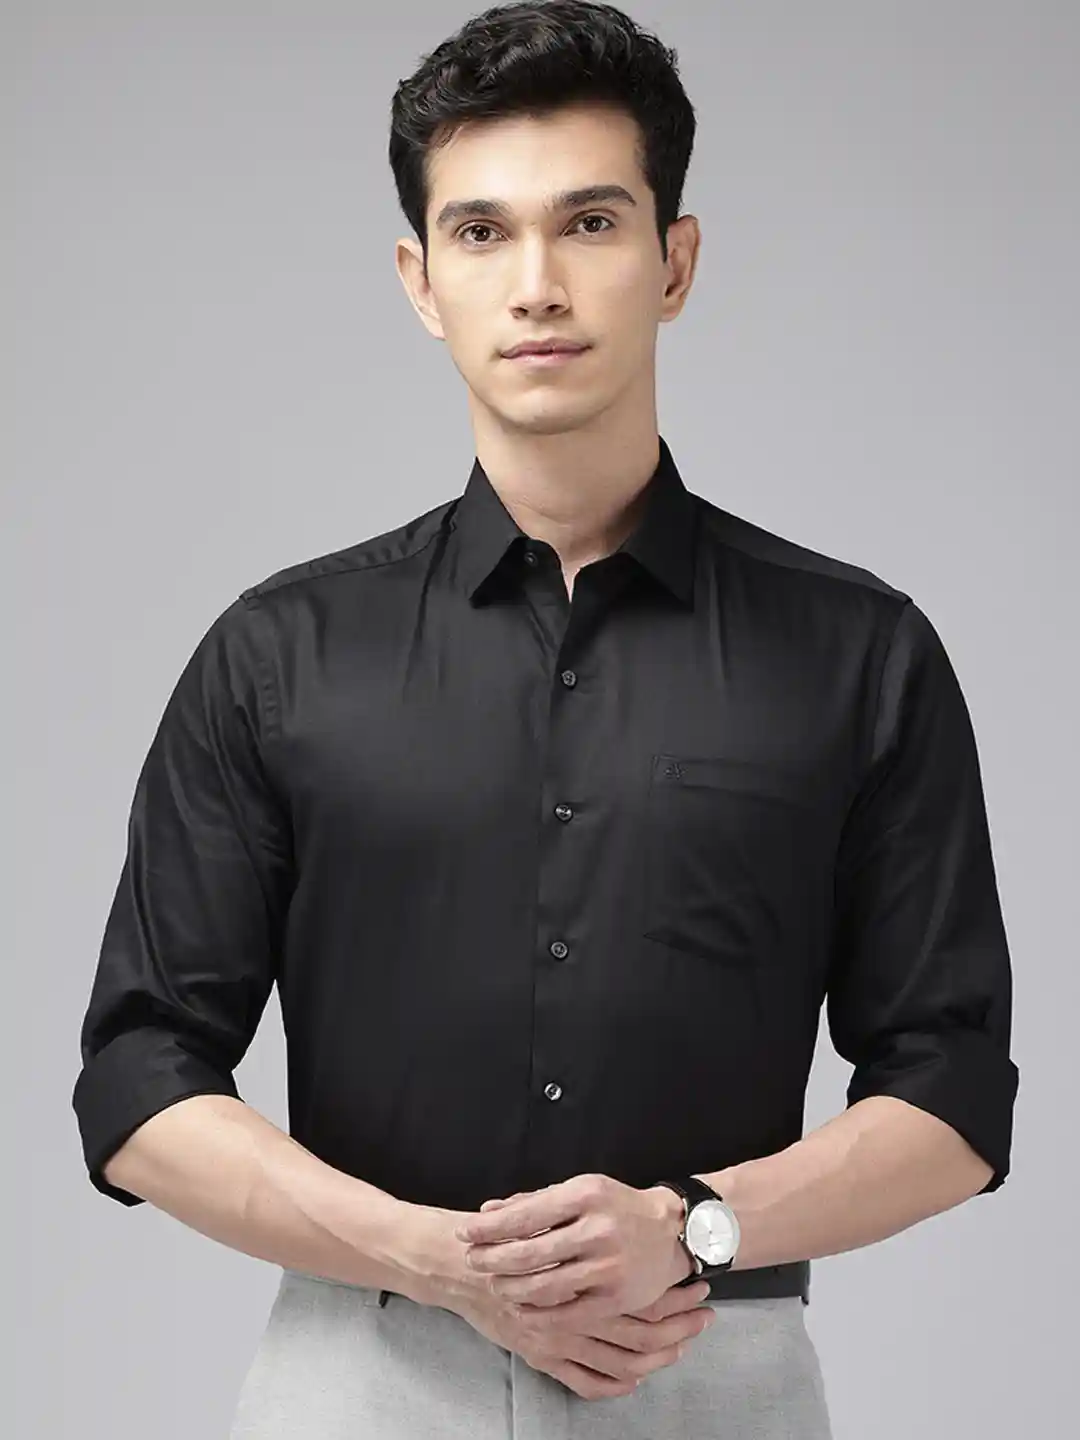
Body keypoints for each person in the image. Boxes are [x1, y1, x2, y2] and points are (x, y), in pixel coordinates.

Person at [71, 2, 1019, 1435]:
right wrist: (433, 1259)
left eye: (589, 223)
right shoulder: (276, 656)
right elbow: (139, 1080)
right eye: (480, 232)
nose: (536, 286)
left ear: (674, 261)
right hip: (361, 1379)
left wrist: (692, 1225)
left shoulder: (858, 655)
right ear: (420, 279)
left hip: (713, 1380)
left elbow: (952, 1092)